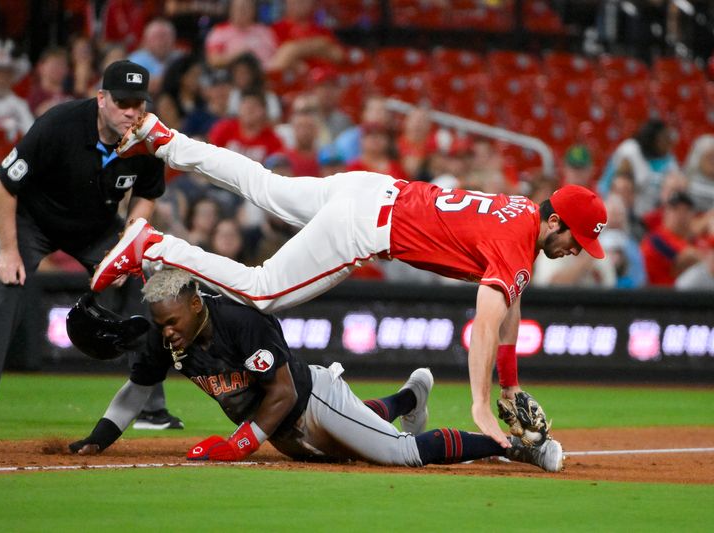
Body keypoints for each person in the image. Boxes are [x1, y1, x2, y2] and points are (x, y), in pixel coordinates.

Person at [90, 112, 608, 447]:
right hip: (368, 226)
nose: (575, 251)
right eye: (577, 240)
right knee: (264, 290)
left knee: (264, 186)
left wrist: (511, 384)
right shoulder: (520, 243)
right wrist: (479, 404)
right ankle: (156, 246)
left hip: (372, 190)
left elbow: (511, 300)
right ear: (557, 221)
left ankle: (165, 139)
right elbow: (489, 318)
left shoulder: (519, 216)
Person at [69, 269, 563, 473]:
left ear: (196, 304)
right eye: (161, 325)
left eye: (173, 322)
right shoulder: (165, 336)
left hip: (309, 399)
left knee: (400, 454)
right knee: (351, 446)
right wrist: (99, 437)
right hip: (283, 429)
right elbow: (136, 390)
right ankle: (409, 397)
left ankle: (519, 448)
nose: (167, 333)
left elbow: (280, 392)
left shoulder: (240, 320)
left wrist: (238, 445)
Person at [0, 61, 182, 431]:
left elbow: (147, 194)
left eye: (139, 104)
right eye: (123, 102)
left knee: (142, 282)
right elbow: (4, 182)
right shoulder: (61, 124)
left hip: (95, 227)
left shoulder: (146, 139)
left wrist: (126, 244)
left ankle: (150, 407)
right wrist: (8, 252)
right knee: (9, 288)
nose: (132, 112)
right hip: (31, 221)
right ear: (101, 98)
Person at [204, 0, 277, 69]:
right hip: (235, 75)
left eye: (246, 7)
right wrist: (241, 54)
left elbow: (277, 56)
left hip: (267, 73)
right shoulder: (220, 31)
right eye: (238, 8)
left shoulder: (265, 31)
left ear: (253, 10)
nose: (242, 11)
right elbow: (214, 60)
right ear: (230, 10)